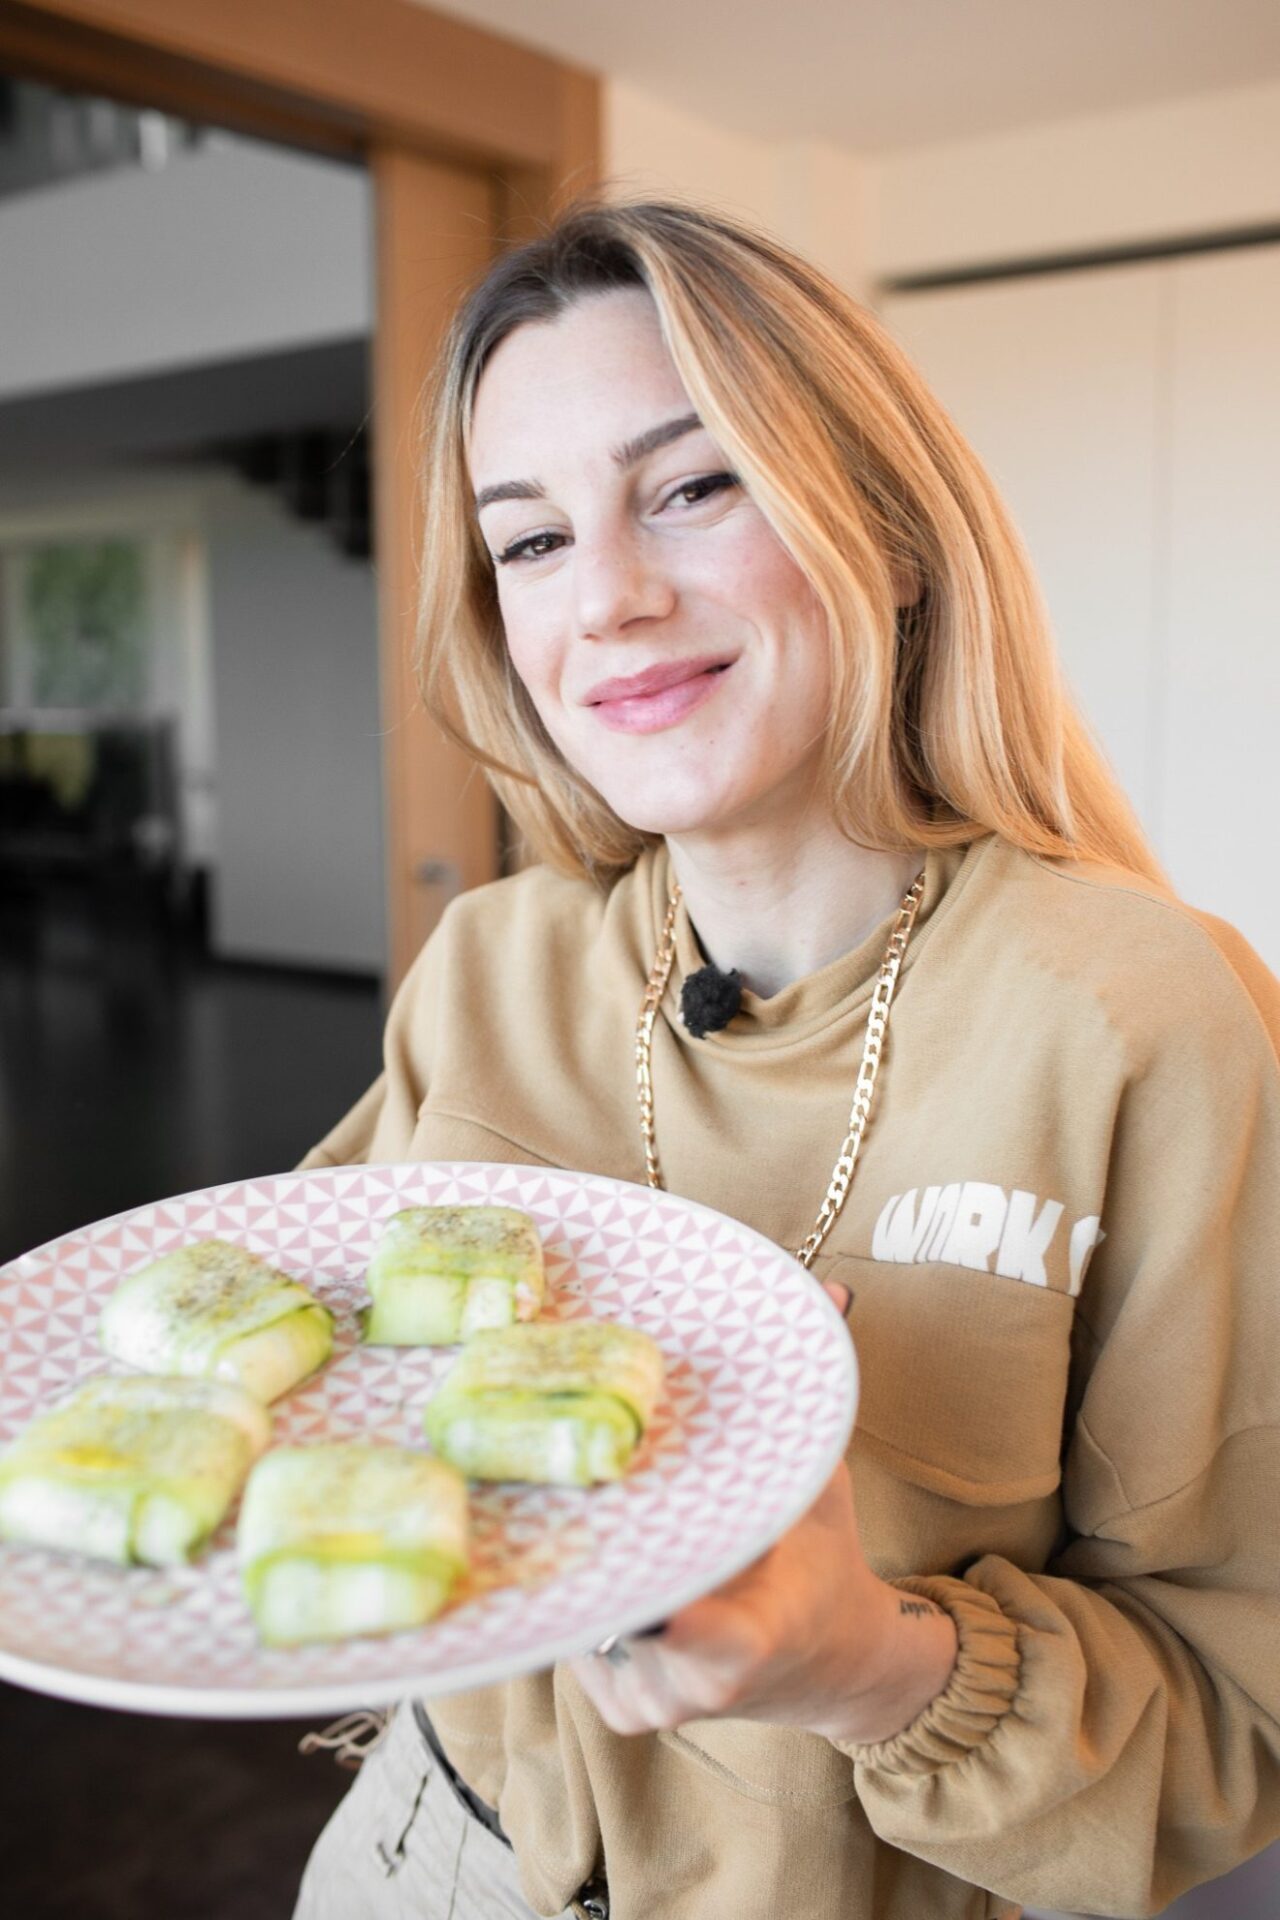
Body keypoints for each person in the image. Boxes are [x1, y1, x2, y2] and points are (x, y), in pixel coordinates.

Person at [292, 200, 1280, 1920]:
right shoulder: (490, 968)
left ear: (885, 534)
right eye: (528, 542)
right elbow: (316, 1357)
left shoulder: (1144, 1015)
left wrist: (866, 1664)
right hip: (421, 1860)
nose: (606, 597)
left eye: (693, 485)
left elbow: (1243, 1725)